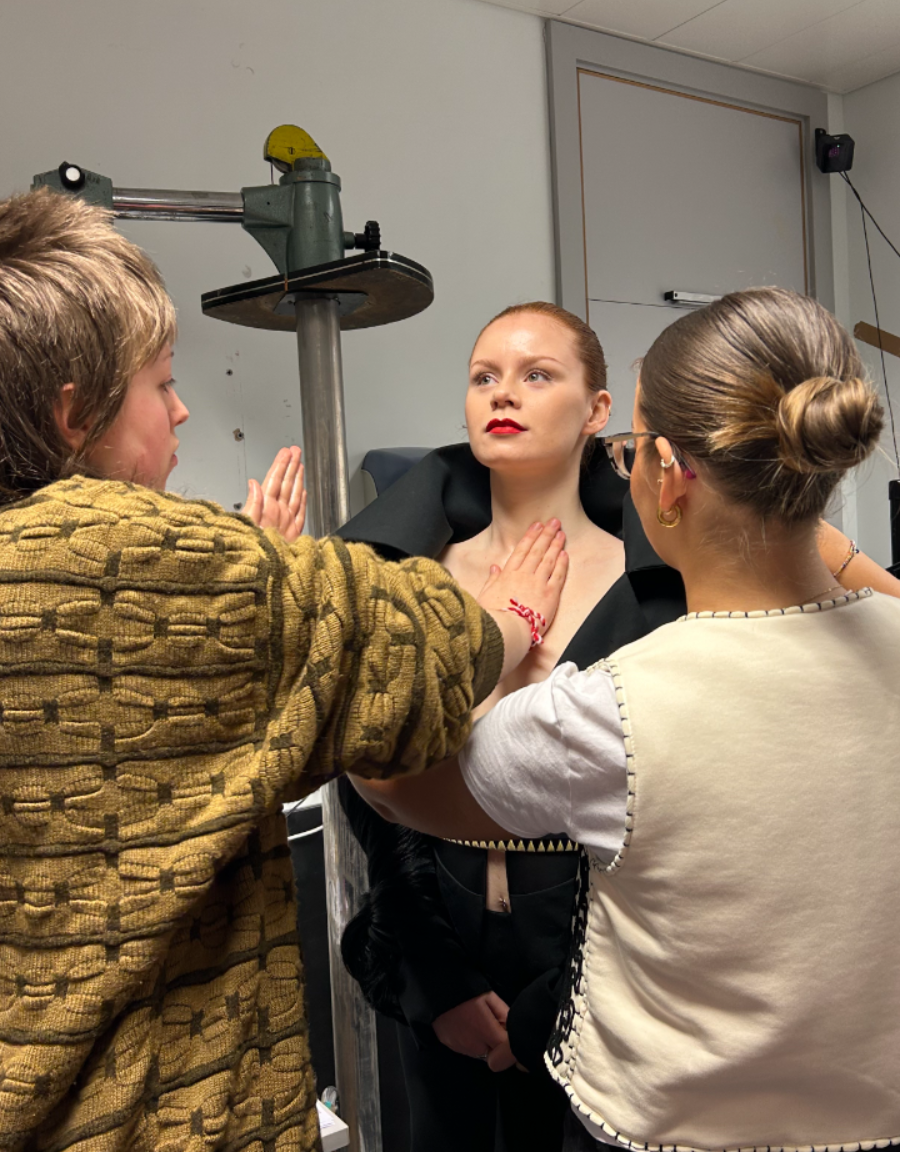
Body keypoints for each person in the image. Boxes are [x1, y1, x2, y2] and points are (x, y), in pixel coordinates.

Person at [0, 188, 568, 1152]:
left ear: (599, 410)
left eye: (537, 374)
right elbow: (418, 661)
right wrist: (507, 620)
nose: (182, 408)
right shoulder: (182, 561)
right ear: (72, 413)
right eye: (160, 385)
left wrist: (257, 594)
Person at [338, 300, 899, 1151]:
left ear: (654, 464)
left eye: (538, 374)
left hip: (658, 1091)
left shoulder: (621, 698)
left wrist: (496, 634)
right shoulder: (411, 567)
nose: (504, 394)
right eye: (484, 376)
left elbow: (384, 774)